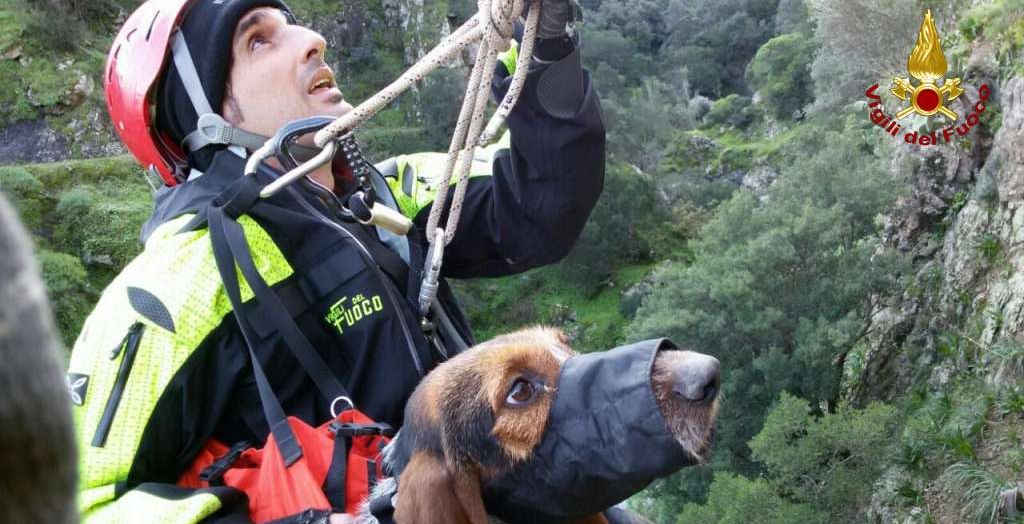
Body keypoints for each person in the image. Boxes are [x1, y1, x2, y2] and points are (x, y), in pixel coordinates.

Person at [67, 0, 604, 522]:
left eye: (292, 26)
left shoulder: (385, 197)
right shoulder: (174, 284)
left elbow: (545, 204)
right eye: (258, 40)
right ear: (202, 115)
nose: (312, 40)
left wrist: (548, 49)